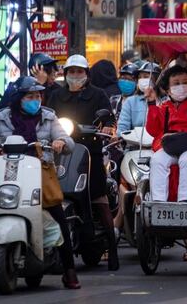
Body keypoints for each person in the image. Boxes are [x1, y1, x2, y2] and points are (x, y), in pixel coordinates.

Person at [0, 76, 80, 290]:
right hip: (6, 173)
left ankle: (69, 271)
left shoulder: (48, 116)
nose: (35, 100)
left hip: (39, 172)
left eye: (38, 96)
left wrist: (60, 142)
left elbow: (68, 141)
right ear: (19, 98)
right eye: (30, 96)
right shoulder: (3, 116)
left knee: (59, 219)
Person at [46, 54, 119, 271]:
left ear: (86, 74)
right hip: (60, 151)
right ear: (65, 74)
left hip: (89, 151)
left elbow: (109, 119)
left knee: (98, 195)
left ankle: (112, 246)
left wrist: (107, 127)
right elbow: (47, 117)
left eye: (79, 72)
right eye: (71, 72)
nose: (75, 76)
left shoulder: (98, 95)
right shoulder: (56, 96)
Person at [146, 65, 187, 261]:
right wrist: (150, 104)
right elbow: (152, 130)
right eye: (176, 83)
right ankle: (158, 204)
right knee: (157, 160)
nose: (181, 87)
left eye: (184, 83)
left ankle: (184, 203)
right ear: (167, 89)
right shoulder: (163, 108)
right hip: (170, 146)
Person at [116, 63, 160, 136]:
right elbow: (122, 128)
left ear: (156, 79)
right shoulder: (130, 102)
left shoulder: (166, 101)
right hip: (135, 145)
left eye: (146, 77)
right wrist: (121, 137)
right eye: (140, 77)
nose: (142, 80)